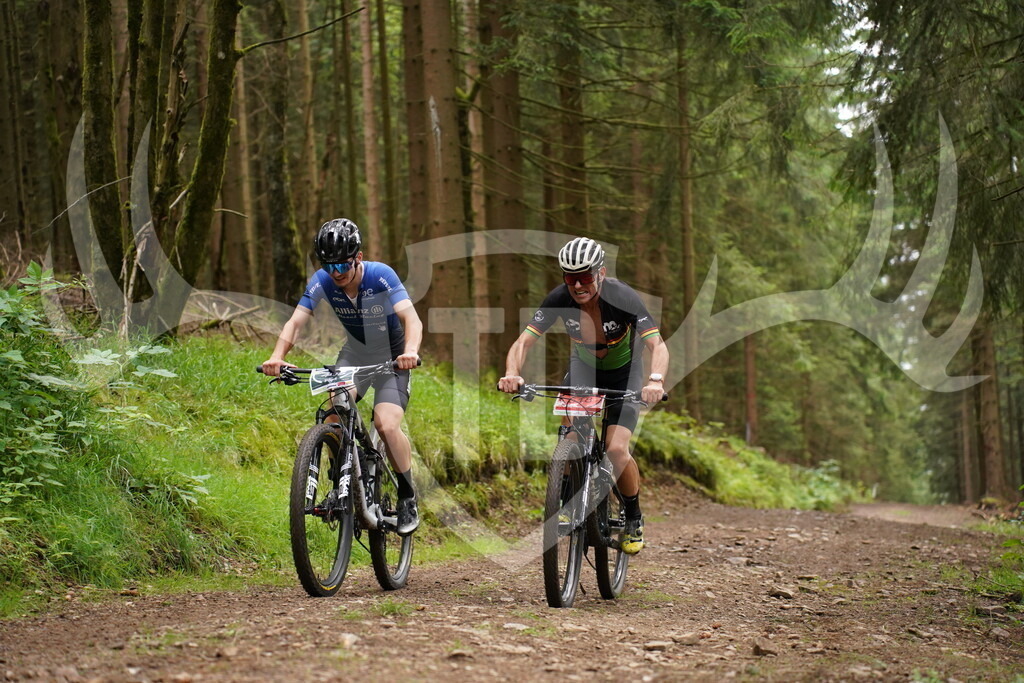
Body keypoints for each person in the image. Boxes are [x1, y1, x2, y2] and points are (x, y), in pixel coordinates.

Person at [498, 237, 669, 554]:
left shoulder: (622, 297)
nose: (578, 285)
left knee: (617, 450)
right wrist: (512, 373)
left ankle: (633, 516)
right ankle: (565, 503)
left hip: (625, 373)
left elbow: (657, 344)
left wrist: (655, 380)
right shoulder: (558, 298)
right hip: (583, 368)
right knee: (570, 437)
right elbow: (523, 342)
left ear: (600, 273)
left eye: (585, 277)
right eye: (570, 277)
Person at [261, 218, 423, 536]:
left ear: (357, 257)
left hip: (393, 360)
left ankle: (407, 496)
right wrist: (277, 356)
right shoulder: (322, 280)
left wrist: (410, 351)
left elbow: (411, 319)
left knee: (386, 424)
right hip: (354, 356)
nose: (336, 273)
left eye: (343, 264)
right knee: (335, 412)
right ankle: (342, 485)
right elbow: (296, 321)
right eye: (329, 265)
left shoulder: (380, 276)